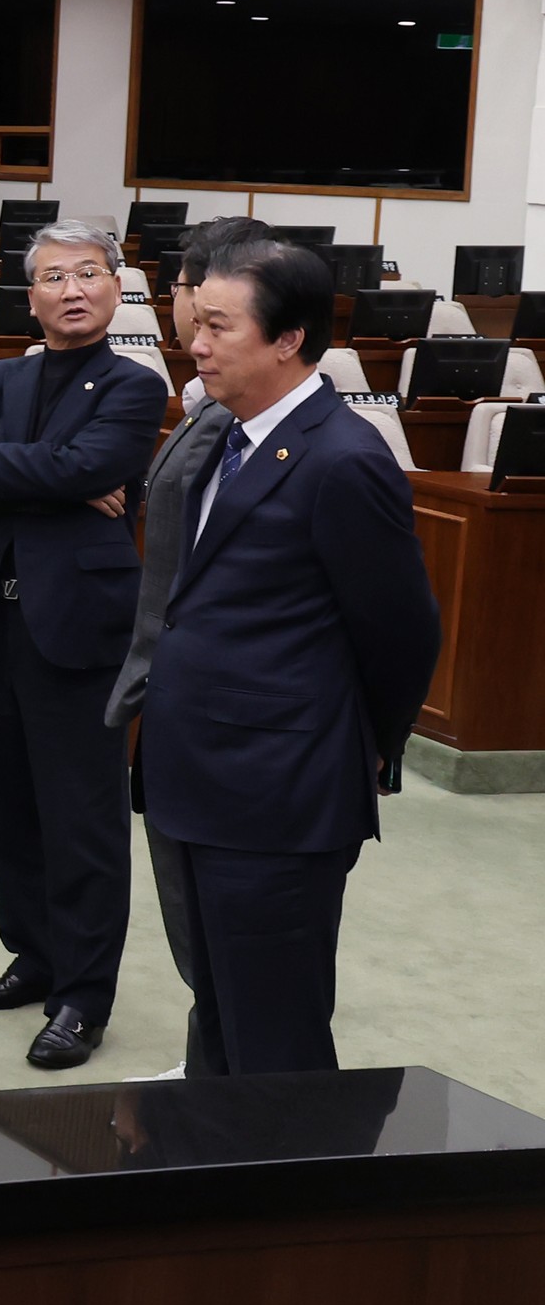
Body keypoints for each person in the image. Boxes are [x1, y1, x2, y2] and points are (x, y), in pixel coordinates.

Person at [135, 236, 440, 1074]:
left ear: (289, 339)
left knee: (276, 1041)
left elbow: (403, 632)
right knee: (220, 1015)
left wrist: (355, 744)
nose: (195, 344)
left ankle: (298, 1198)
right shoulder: (221, 438)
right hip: (199, 784)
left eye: (218, 328)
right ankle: (212, 1181)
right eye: (197, 324)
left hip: (278, 796)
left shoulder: (343, 460)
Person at [0, 221, 166, 1069]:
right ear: (29, 297)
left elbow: (72, 467)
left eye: (90, 274)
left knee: (83, 818)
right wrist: (45, 474)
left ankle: (83, 995)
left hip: (80, 627)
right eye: (56, 277)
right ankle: (33, 958)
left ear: (115, 288)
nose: (73, 289)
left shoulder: (135, 386)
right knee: (13, 809)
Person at [106, 214, 271, 1078]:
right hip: (175, 706)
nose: (187, 321)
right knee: (194, 924)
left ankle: (229, 1078)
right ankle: (211, 1063)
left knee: (241, 948)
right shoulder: (206, 414)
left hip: (237, 730)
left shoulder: (260, 431)